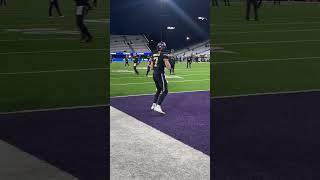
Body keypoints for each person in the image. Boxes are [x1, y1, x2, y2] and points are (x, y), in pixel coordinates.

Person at [150, 42, 171, 114]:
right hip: (160, 74)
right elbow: (168, 67)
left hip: (154, 74)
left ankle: (153, 104)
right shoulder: (164, 54)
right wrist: (167, 62)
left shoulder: (153, 54)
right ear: (163, 47)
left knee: (159, 89)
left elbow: (151, 67)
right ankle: (158, 106)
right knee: (165, 91)